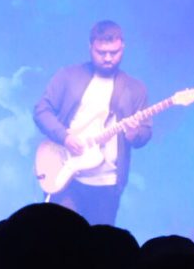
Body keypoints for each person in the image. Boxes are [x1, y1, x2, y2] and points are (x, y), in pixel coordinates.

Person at [32, 19, 152, 227]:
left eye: (114, 53)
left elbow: (145, 133)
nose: (108, 58)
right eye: (101, 52)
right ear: (90, 47)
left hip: (107, 183)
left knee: (98, 249)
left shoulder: (135, 89)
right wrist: (65, 137)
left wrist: (134, 134)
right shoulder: (68, 76)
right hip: (66, 174)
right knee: (60, 236)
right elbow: (41, 111)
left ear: (122, 47)